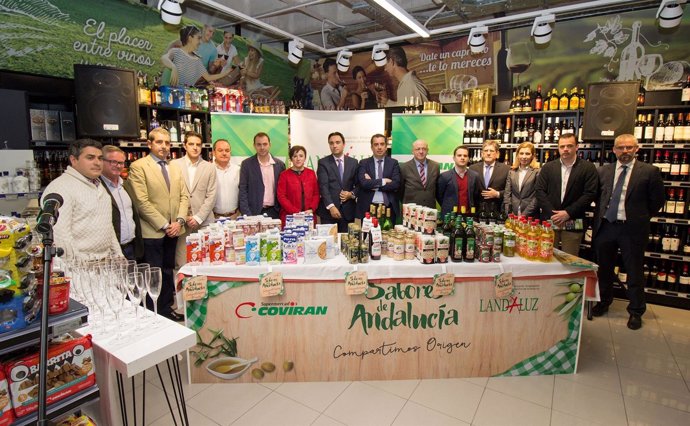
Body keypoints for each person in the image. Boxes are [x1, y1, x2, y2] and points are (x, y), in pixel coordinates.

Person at [592, 134, 664, 330]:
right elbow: (597, 196)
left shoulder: (649, 172)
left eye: (629, 148)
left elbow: (657, 201)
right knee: (603, 269)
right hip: (606, 226)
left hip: (632, 229)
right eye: (621, 148)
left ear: (636, 149)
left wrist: (638, 217)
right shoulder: (603, 171)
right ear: (614, 150)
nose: (625, 151)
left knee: (634, 271)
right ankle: (604, 301)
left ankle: (635, 311)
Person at [126, 127, 189, 322]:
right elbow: (141, 202)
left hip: (174, 229)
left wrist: (178, 222)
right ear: (150, 144)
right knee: (153, 273)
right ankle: (152, 313)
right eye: (159, 142)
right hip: (153, 232)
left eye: (167, 143)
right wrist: (164, 225)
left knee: (168, 270)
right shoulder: (139, 167)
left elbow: (184, 196)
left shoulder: (174, 167)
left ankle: (165, 308)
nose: (164, 146)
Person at [41, 139, 121, 260]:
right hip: (80, 266)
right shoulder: (61, 187)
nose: (97, 163)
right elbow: (61, 236)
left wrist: (118, 254)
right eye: (90, 158)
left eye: (100, 158)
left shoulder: (99, 186)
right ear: (74, 160)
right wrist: (79, 266)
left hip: (106, 262)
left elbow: (108, 226)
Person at [535, 133, 598, 256]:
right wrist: (554, 214)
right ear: (558, 148)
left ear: (577, 147)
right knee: (546, 256)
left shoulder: (588, 168)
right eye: (562, 146)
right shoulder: (548, 167)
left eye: (569, 146)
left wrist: (568, 213)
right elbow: (540, 191)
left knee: (570, 259)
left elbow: (590, 194)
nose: (565, 149)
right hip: (550, 219)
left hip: (573, 221)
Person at [171, 131, 217, 269]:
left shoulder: (210, 167)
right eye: (191, 144)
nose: (195, 147)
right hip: (182, 223)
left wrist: (198, 217)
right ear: (185, 146)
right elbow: (173, 194)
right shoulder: (174, 165)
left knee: (207, 262)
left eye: (198, 144)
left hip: (204, 222)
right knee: (182, 263)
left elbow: (212, 196)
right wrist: (183, 217)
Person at [100, 145, 143, 261]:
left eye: (121, 162)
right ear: (101, 161)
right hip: (111, 251)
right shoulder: (97, 187)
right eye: (113, 162)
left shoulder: (125, 184)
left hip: (131, 247)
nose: (118, 166)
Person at [161, 25, 232, 87]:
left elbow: (208, 77)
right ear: (190, 39)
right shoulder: (177, 51)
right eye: (198, 39)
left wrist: (225, 72)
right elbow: (164, 58)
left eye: (213, 33)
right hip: (168, 87)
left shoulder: (197, 60)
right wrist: (173, 67)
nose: (199, 42)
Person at [317, 132, 358, 232]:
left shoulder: (354, 162)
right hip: (328, 213)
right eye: (331, 143)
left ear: (343, 144)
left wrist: (351, 194)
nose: (334, 145)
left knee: (347, 243)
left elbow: (359, 185)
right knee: (329, 243)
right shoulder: (323, 163)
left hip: (348, 212)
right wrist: (331, 207)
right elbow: (323, 187)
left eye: (337, 142)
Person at [356, 134, 401, 223]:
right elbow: (363, 183)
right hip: (368, 208)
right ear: (371, 147)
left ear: (386, 146)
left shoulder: (393, 163)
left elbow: (396, 184)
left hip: (388, 208)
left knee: (388, 236)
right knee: (368, 236)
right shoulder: (363, 163)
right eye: (376, 144)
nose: (379, 147)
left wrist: (373, 185)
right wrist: (383, 181)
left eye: (382, 144)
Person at [239, 132, 286, 218]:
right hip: (253, 213)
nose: (262, 147)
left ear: (270, 145)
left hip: (275, 212)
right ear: (254, 145)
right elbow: (243, 191)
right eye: (259, 144)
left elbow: (284, 191)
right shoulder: (246, 164)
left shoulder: (280, 165)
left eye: (265, 144)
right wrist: (247, 215)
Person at [276, 145, 320, 226]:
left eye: (301, 156)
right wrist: (295, 212)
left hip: (309, 216)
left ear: (305, 158)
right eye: (295, 156)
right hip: (290, 217)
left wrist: (311, 209)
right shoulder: (284, 175)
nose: (298, 159)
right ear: (291, 158)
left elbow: (316, 194)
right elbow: (281, 196)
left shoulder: (311, 173)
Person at [437, 145, 481, 216]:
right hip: (449, 216)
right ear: (454, 158)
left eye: (465, 156)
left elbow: (476, 196)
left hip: (469, 215)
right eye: (459, 155)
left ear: (468, 158)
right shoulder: (444, 176)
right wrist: (448, 206)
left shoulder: (475, 176)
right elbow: (439, 196)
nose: (462, 158)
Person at [469, 140, 510, 216]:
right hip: (477, 212)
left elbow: (511, 191)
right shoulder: (472, 168)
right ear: (482, 154)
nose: (488, 153)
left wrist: (497, 194)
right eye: (486, 151)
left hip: (498, 213)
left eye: (491, 151)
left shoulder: (506, 169)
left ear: (497, 154)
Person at [399, 139, 440, 208]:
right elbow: (400, 191)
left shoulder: (435, 166)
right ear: (412, 151)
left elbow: (437, 189)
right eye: (418, 149)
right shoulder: (403, 167)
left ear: (427, 151)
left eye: (424, 149)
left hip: (430, 209)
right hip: (411, 211)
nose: (421, 151)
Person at [503, 142, 540, 217]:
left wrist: (524, 215)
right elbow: (507, 194)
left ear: (532, 156)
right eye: (521, 153)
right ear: (517, 155)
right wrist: (509, 212)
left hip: (530, 214)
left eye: (527, 154)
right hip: (513, 213)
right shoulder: (512, 171)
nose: (524, 156)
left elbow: (537, 196)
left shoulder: (537, 172)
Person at [212, 139, 241, 219]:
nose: (224, 153)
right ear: (214, 153)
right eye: (220, 150)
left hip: (235, 217)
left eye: (227, 150)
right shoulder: (208, 170)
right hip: (213, 218)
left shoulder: (237, 170)